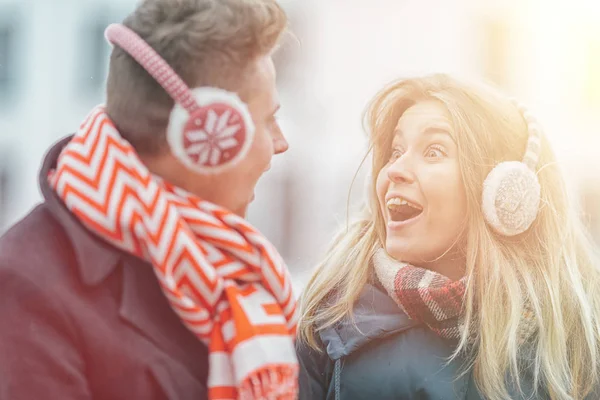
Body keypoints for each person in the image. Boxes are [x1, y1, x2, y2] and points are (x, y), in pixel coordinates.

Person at [0, 0, 299, 399]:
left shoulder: (232, 267)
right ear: (206, 136)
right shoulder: (27, 286)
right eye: (267, 120)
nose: (281, 143)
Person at [296, 74, 600, 400]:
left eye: (434, 151)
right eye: (395, 151)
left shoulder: (578, 337)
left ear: (503, 191)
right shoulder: (330, 317)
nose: (394, 169)